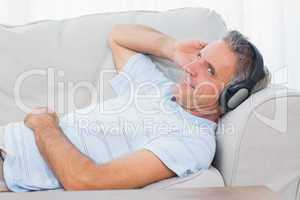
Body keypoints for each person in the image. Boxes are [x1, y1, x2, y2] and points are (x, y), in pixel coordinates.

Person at [0, 24, 270, 192]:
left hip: (8, 166)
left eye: (208, 69)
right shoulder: (156, 88)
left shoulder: (192, 142)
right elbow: (119, 35)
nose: (189, 68)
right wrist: (171, 47)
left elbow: (85, 180)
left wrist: (44, 125)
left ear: (231, 97)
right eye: (199, 57)